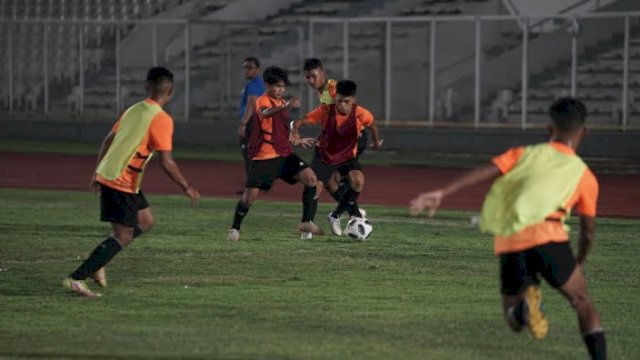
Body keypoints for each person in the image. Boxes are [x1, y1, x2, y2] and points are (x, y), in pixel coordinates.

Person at [409, 97, 606, 360]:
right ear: (585, 131)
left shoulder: (525, 153)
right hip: (550, 237)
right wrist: (578, 260)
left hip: (512, 238)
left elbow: (486, 170)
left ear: (550, 129)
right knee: (581, 301)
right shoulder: (585, 175)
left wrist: (442, 191)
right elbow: (588, 231)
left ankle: (525, 307)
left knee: (513, 322)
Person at [62, 67, 201, 298]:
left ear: (147, 87)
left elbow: (108, 140)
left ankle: (102, 257)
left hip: (116, 175)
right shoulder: (162, 119)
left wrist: (98, 171)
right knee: (123, 235)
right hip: (121, 180)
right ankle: (77, 278)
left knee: (146, 221)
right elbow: (167, 162)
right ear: (171, 91)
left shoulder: (134, 109)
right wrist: (187, 187)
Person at [228, 66, 320, 241]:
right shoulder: (262, 101)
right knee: (249, 199)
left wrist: (297, 140)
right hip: (264, 157)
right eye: (277, 86)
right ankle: (235, 227)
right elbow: (265, 114)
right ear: (267, 85)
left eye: (283, 86)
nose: (281, 90)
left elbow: (281, 130)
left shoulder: (280, 103)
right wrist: (286, 104)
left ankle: (306, 224)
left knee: (311, 179)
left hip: (284, 154)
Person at [291, 80, 382, 236]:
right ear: (335, 98)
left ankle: (335, 216)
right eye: (339, 101)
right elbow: (300, 121)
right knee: (316, 187)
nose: (343, 105)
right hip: (325, 155)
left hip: (346, 156)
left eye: (347, 102)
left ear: (353, 100)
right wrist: (295, 131)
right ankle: (307, 224)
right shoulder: (325, 111)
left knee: (358, 181)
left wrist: (376, 143)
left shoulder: (361, 114)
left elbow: (373, 126)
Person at [236, 57, 265, 193]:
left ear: (257, 69)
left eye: (250, 67)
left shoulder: (253, 85)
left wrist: (243, 123)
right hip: (257, 122)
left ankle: (251, 187)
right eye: (245, 67)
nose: (246, 70)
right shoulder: (259, 84)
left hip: (251, 122)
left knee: (249, 154)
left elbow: (252, 104)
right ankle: (259, 184)